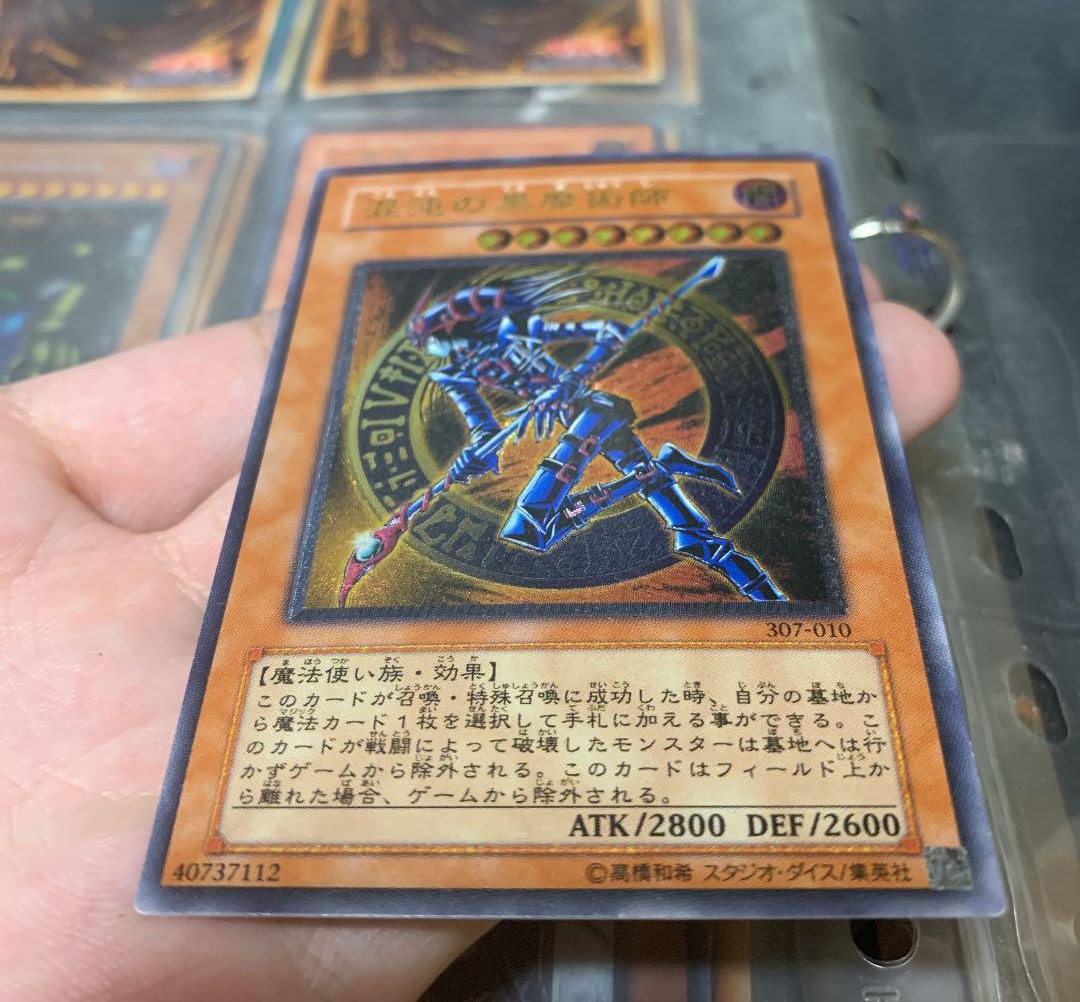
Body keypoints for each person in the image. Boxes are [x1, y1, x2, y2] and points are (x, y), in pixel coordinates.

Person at [0, 277, 959, 1000]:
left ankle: (671, 495)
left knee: (633, 470)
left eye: (485, 328)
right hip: (568, 442)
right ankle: (658, 475)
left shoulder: (519, 337)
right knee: (534, 531)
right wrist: (505, 427)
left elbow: (576, 348)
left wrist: (576, 362)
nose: (488, 339)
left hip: (595, 418)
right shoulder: (461, 370)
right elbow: (482, 434)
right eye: (471, 334)